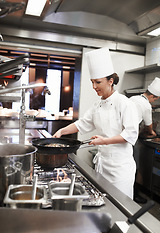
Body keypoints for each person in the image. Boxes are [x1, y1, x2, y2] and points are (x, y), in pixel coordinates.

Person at [53, 47, 139, 199]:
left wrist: (104, 141)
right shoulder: (97, 105)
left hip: (120, 169)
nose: (94, 87)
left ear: (110, 81)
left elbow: (130, 134)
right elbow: (82, 124)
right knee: (104, 203)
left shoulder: (124, 103)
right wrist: (62, 131)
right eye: (92, 82)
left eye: (98, 82)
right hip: (102, 165)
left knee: (120, 206)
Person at [130, 77, 160, 203]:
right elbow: (149, 127)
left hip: (123, 136)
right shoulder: (147, 106)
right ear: (154, 97)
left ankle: (131, 194)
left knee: (131, 167)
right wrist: (153, 134)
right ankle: (134, 195)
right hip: (129, 140)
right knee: (134, 167)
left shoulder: (133, 98)